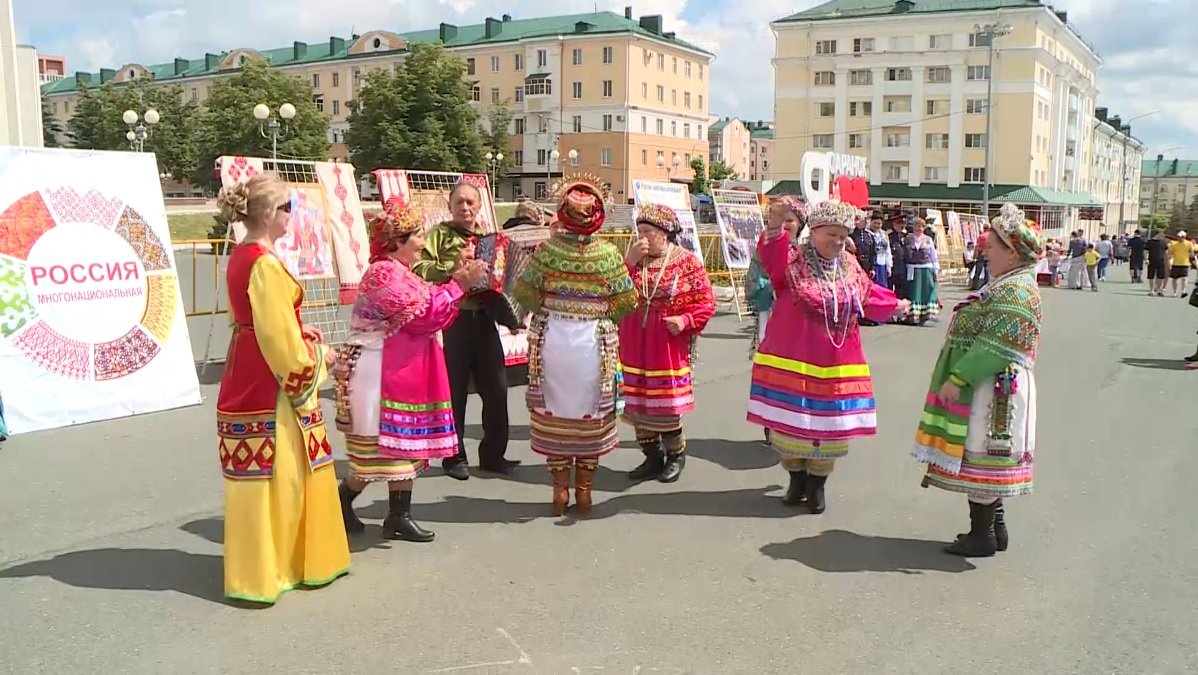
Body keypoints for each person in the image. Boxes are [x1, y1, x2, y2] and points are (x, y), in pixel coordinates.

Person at [215, 173, 349, 605]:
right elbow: (279, 341)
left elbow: (258, 320)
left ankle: (258, 568)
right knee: (286, 473)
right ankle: (287, 565)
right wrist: (318, 358)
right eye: (288, 207)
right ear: (270, 214)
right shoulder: (266, 263)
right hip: (269, 381)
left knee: (257, 476)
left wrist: (297, 328)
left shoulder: (242, 255)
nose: (293, 214)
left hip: (244, 367)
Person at [334, 204, 488, 541]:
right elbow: (423, 315)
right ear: (395, 241)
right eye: (416, 235)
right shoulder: (381, 275)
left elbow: (433, 305)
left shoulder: (402, 271)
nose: (421, 241)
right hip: (379, 372)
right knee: (378, 451)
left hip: (399, 369)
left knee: (403, 448)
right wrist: (459, 283)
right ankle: (341, 499)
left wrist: (454, 282)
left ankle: (398, 515)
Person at [747, 200, 911, 514]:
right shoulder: (793, 260)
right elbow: (771, 257)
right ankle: (796, 479)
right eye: (830, 234)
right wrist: (775, 226)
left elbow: (867, 294)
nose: (837, 241)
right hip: (792, 356)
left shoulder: (849, 264)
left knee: (829, 430)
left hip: (838, 360)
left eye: (842, 235)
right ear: (815, 232)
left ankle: (817, 485)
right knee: (790, 426)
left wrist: (894, 304)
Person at [913, 202, 1042, 558]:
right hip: (994, 385)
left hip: (991, 387)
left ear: (1013, 253)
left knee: (984, 455)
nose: (985, 248)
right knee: (989, 455)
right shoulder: (1009, 284)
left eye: (993, 245)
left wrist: (958, 376)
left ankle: (981, 535)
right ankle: (994, 528)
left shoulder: (1014, 291)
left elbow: (995, 346)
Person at [511, 178, 638, 517]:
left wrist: (553, 304)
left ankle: (559, 492)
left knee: (554, 408)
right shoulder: (609, 254)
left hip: (553, 339)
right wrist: (599, 311)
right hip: (593, 344)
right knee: (590, 410)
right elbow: (627, 300)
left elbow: (524, 294)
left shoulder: (548, 252)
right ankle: (584, 492)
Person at [412, 181, 519, 480]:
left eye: (471, 203)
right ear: (450, 206)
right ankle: (453, 456)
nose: (466, 208)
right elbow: (418, 266)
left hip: (485, 317)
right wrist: (451, 268)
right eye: (459, 202)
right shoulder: (439, 236)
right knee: (454, 392)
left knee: (497, 389)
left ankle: (493, 454)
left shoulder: (488, 238)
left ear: (480, 206)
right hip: (453, 317)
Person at [620, 204, 717, 484]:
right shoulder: (634, 260)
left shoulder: (687, 262)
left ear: (664, 234)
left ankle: (676, 455)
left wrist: (686, 320)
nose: (642, 237)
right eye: (639, 231)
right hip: (634, 340)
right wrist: (628, 262)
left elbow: (706, 301)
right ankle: (651, 457)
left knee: (665, 406)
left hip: (665, 342)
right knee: (637, 406)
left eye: (648, 231)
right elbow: (614, 292)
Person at [903, 218, 940, 326]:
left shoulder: (928, 239)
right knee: (915, 293)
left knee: (927, 291)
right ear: (913, 227)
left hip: (926, 268)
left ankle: (927, 315)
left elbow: (933, 254)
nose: (918, 228)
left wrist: (935, 268)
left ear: (924, 228)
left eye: (921, 226)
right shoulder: (908, 239)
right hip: (913, 268)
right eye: (916, 226)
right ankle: (914, 316)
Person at [1167, 231, 1195, 298]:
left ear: (1184, 237)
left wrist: (1192, 262)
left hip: (1185, 263)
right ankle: (1175, 292)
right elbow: (1170, 253)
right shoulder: (1174, 244)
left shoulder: (1189, 243)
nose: (1178, 238)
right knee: (1175, 279)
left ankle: (1183, 291)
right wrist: (1169, 261)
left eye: (1180, 237)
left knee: (1184, 278)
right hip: (1176, 263)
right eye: (1178, 236)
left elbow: (1192, 253)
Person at [869, 214, 892, 290]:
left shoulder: (884, 235)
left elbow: (887, 251)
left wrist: (889, 267)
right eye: (874, 223)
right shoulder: (867, 234)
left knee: (882, 288)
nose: (876, 225)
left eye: (879, 223)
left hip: (882, 265)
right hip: (872, 265)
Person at [970, 223, 991, 291]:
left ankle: (975, 285)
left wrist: (974, 256)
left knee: (978, 270)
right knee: (987, 271)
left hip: (981, 253)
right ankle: (986, 285)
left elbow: (977, 246)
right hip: (988, 253)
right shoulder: (991, 236)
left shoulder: (981, 236)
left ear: (984, 228)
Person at [1146, 231, 1168, 296]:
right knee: (1151, 276)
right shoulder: (1150, 242)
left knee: (1160, 276)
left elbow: (1166, 252)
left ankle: (1158, 290)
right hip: (1151, 261)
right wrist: (1146, 259)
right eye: (1161, 234)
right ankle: (1152, 290)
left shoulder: (1163, 242)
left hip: (1161, 261)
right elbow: (1146, 251)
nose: (1162, 236)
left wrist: (1167, 261)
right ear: (1157, 234)